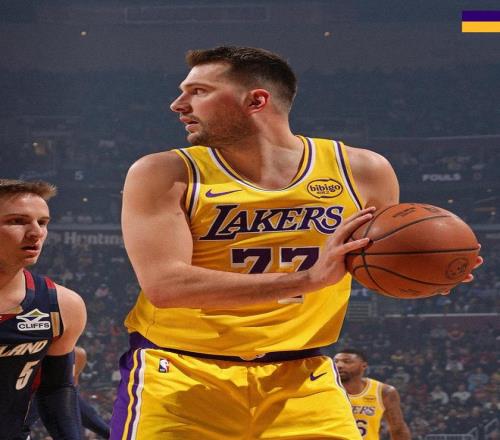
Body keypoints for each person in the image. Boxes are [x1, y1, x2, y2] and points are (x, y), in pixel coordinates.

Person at [111, 46, 480, 439]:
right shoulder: (165, 172)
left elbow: (377, 261)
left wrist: (433, 273)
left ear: (256, 100)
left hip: (303, 378)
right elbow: (166, 286)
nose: (178, 104)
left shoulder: (363, 171)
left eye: (198, 92)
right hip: (179, 374)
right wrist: (306, 280)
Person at [0, 179, 87, 439]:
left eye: (43, 222)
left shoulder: (62, 305)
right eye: (17, 221)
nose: (36, 232)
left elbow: (55, 389)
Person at [21, 346, 110, 439]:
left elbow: (73, 399)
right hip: (18, 421)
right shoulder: (27, 353)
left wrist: (107, 432)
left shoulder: (78, 355)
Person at [334, 349, 411, 440]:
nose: (339, 365)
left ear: (363, 366)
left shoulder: (383, 392)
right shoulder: (322, 389)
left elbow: (398, 429)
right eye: (336, 361)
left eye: (347, 362)